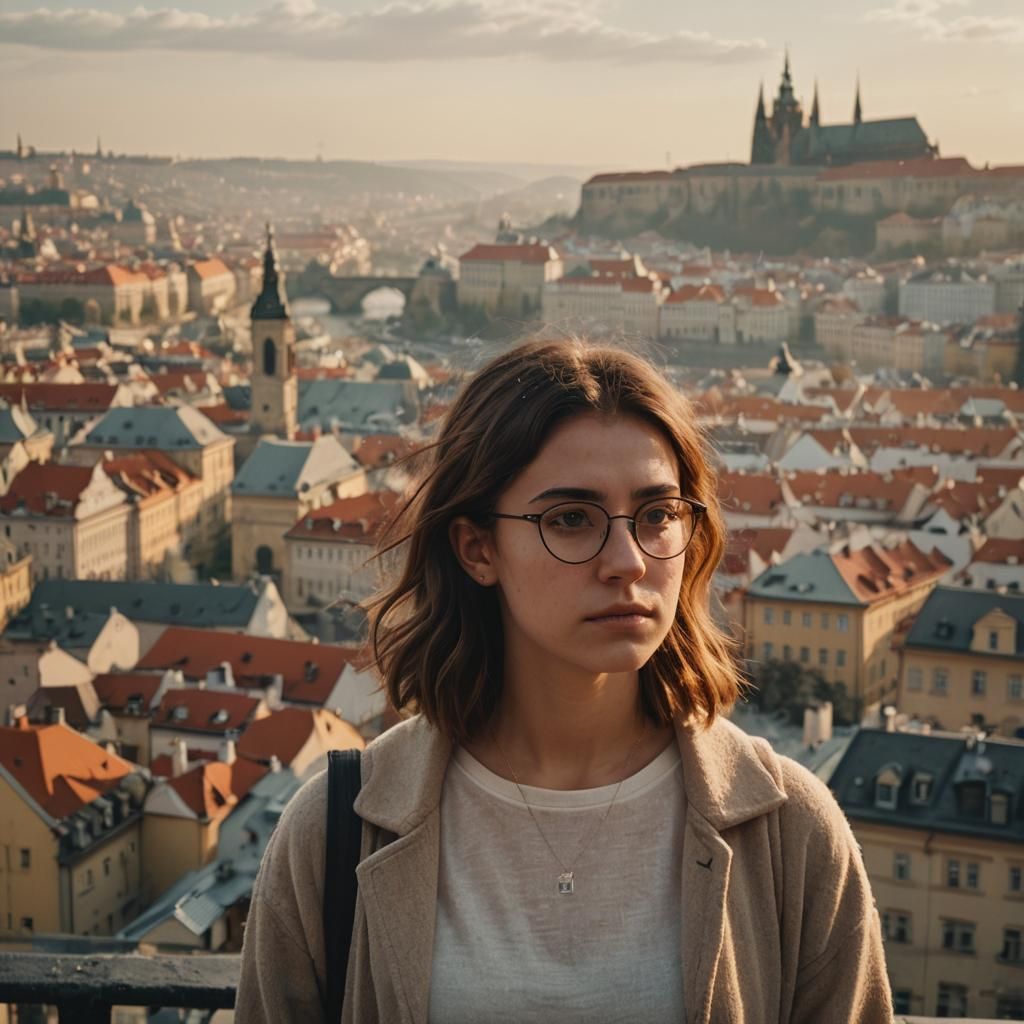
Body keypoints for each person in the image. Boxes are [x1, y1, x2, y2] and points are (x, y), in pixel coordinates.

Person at [236, 339, 893, 1023]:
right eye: (571, 519)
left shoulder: (792, 831)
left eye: (658, 514)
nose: (627, 561)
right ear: (478, 549)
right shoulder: (333, 830)